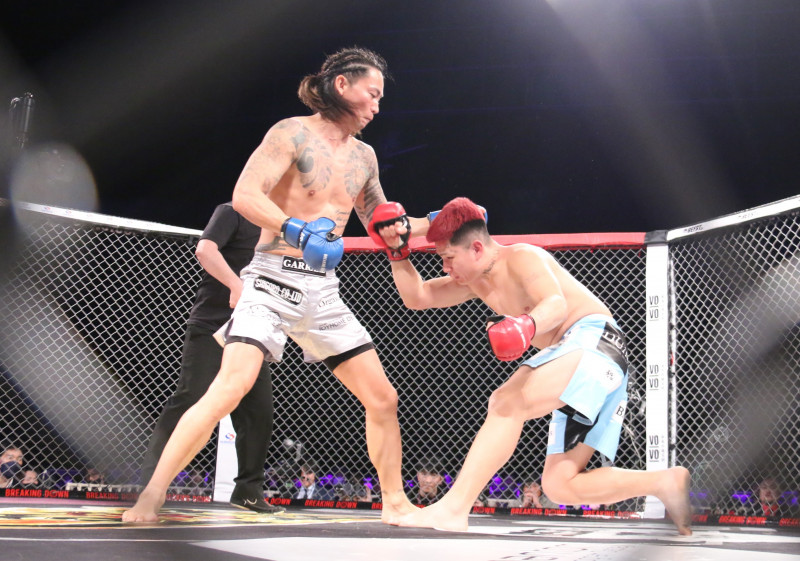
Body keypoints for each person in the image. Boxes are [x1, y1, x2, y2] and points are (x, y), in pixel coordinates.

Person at [122, 46, 430, 524]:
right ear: (342, 85)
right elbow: (245, 195)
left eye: (380, 98)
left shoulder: (365, 157)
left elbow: (382, 222)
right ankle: (152, 495)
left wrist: (440, 224)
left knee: (383, 398)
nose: (377, 105)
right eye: (372, 94)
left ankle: (395, 502)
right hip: (270, 278)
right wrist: (295, 230)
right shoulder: (291, 132)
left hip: (323, 290)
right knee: (227, 390)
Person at [372, 196, 692, 534]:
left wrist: (525, 326)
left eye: (449, 258)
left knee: (507, 401)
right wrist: (398, 253)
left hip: (594, 341)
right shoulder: (474, 283)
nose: (445, 268)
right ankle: (664, 482)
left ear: (477, 248)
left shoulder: (522, 257)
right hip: (589, 359)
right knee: (560, 484)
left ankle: (453, 509)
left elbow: (555, 304)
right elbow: (417, 297)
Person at [137, 202, 279, 514]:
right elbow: (205, 250)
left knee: (258, 412)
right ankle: (151, 485)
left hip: (251, 333)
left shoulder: (280, 226)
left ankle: (248, 491)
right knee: (191, 398)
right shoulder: (233, 212)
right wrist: (236, 285)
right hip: (212, 324)